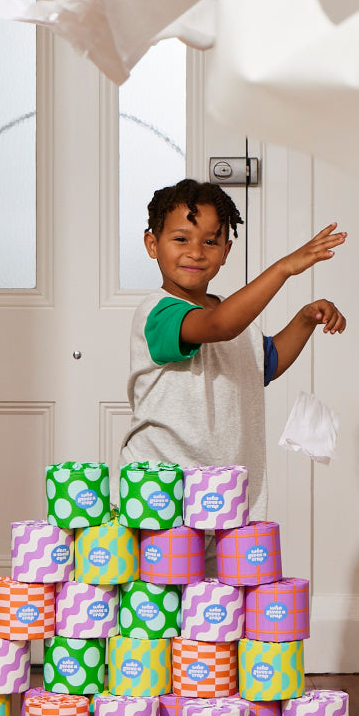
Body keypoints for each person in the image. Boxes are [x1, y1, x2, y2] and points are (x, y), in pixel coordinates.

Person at [119, 178, 347, 523]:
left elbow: (266, 363)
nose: (196, 252)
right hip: (160, 489)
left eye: (210, 241)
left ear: (225, 251)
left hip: (224, 490)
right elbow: (218, 326)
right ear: (153, 244)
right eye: (181, 239)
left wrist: (305, 320)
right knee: (166, 561)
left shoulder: (231, 313)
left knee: (223, 562)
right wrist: (283, 268)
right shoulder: (158, 312)